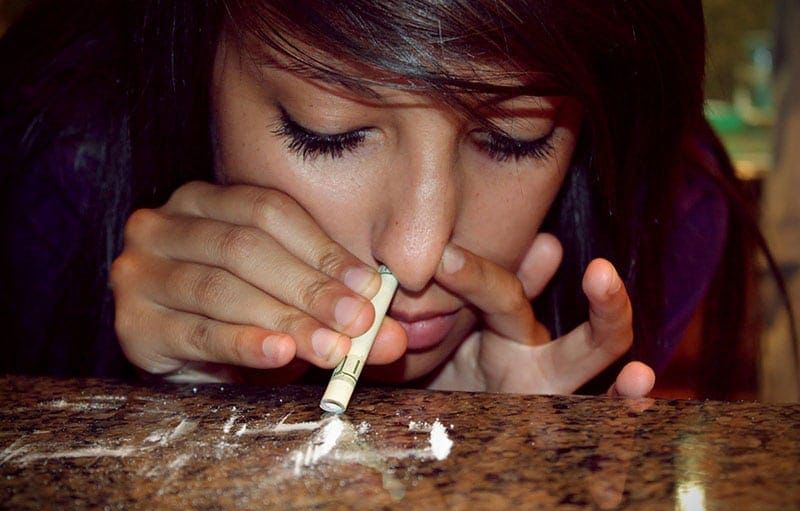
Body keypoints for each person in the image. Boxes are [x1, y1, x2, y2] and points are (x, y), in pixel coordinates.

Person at [0, 1, 762, 398]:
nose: (417, 253)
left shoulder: (665, 215)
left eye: (514, 139)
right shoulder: (48, 169)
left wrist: (494, 475)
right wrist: (178, 411)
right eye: (326, 133)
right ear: (196, 56)